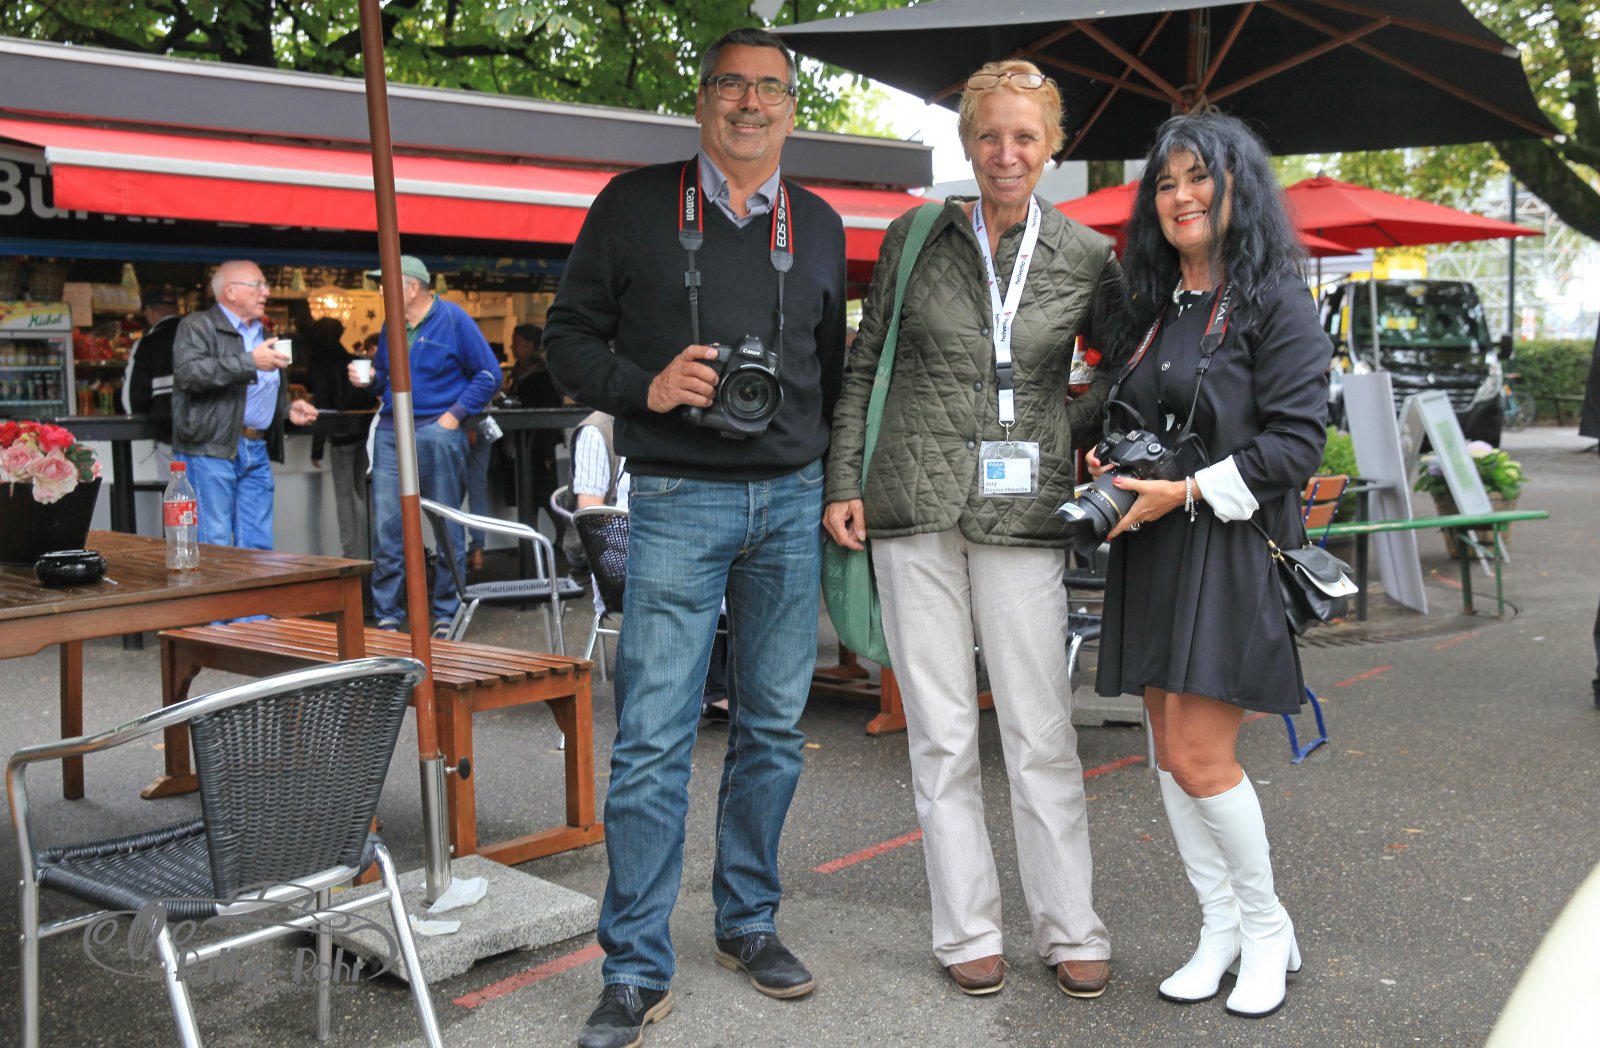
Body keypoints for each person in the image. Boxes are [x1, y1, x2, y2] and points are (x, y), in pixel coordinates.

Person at [545, 27, 846, 1048]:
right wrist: (649, 385)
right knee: (653, 739)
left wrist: (836, 484)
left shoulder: (819, 223)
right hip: (674, 495)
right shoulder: (633, 205)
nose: (750, 103)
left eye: (770, 88)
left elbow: (831, 374)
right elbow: (563, 341)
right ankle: (633, 967)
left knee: (772, 728)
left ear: (791, 108)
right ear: (702, 98)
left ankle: (747, 920)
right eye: (732, 85)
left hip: (791, 500)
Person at [823, 58, 1128, 1002]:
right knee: (942, 733)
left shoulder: (1086, 255)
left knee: (1039, 728)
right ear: (967, 141)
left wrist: (1066, 429)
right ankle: (967, 931)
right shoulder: (915, 234)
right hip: (910, 503)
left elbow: (1128, 366)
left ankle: (1070, 926)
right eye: (988, 134)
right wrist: (843, 478)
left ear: (1051, 147)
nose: (1005, 152)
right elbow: (865, 363)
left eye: (1024, 136)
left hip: (1023, 513)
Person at [1090, 110, 1331, 1019]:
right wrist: (1113, 462)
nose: (1181, 196)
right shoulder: (1156, 306)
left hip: (1228, 549)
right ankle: (1219, 926)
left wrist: (1183, 491)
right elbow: (1143, 415)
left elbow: (1296, 446)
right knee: (1168, 754)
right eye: (1165, 182)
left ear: (1238, 190)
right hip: (1155, 542)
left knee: (1200, 757)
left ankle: (1267, 929)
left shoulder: (1275, 302)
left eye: (1199, 177)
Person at [353, 254, 500, 636]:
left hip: (436, 431)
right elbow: (385, 377)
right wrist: (369, 380)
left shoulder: (453, 318)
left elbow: (489, 374)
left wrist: (453, 416)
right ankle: (388, 615)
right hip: (391, 431)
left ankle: (446, 613)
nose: (381, 290)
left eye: (386, 283)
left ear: (412, 287)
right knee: (387, 527)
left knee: (445, 523)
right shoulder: (392, 324)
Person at [171, 260, 317, 549]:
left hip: (256, 447)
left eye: (265, 285)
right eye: (257, 285)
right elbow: (188, 374)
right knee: (213, 542)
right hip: (210, 449)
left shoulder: (264, 335)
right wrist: (249, 361)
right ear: (230, 291)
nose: (266, 292)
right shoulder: (198, 326)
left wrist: (287, 409)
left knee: (258, 543)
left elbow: (255, 394)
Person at [305, 316, 375, 560]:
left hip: (341, 437)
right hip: (362, 434)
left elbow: (322, 409)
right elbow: (368, 397)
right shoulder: (351, 361)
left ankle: (351, 553)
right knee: (365, 493)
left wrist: (317, 449)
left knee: (344, 497)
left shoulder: (320, 364)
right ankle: (376, 547)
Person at [121, 285, 183, 465]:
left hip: (167, 433)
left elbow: (132, 396)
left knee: (174, 482)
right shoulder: (203, 337)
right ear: (177, 309)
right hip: (210, 436)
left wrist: (143, 426)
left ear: (149, 311)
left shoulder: (147, 343)